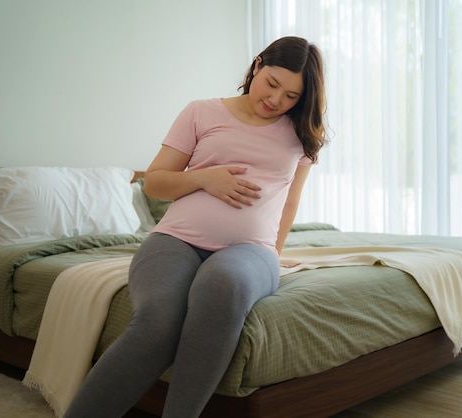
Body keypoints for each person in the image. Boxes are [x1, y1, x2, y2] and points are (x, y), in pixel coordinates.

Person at [63, 36, 327, 418]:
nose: (276, 100)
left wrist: (271, 254)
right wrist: (205, 179)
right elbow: (154, 182)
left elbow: (290, 202)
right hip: (174, 240)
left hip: (250, 250)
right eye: (272, 84)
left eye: (291, 96)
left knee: (223, 284)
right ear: (257, 65)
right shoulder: (202, 112)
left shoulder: (300, 133)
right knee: (157, 324)